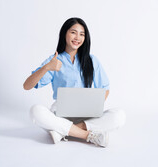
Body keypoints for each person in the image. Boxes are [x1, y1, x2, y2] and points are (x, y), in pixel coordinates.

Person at [23, 17, 126, 147]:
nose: (77, 37)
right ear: (64, 33)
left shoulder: (91, 60)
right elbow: (27, 86)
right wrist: (47, 67)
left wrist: (93, 108)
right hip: (60, 114)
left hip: (86, 116)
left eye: (82, 34)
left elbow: (105, 88)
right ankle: (88, 135)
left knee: (119, 116)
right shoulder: (54, 60)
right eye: (73, 32)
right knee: (35, 111)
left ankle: (63, 131)